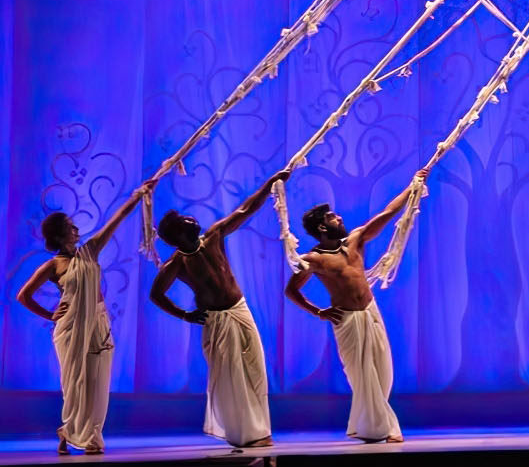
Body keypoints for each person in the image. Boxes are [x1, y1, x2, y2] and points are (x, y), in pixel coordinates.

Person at [148, 170, 289, 448]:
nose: (191, 220)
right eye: (183, 221)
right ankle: (247, 435)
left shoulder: (213, 236)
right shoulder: (177, 264)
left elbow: (245, 209)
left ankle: (261, 428)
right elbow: (156, 294)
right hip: (218, 321)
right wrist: (184, 315)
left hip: (239, 309)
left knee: (255, 369)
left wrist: (270, 183)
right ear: (177, 234)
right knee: (231, 377)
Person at [14, 177, 155, 454]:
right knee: (75, 382)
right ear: (58, 235)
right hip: (70, 329)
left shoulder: (89, 251)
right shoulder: (54, 265)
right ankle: (68, 432)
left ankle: (90, 436)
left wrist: (140, 194)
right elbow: (23, 295)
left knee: (97, 379)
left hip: (98, 322)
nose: (76, 229)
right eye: (69, 227)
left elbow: (116, 220)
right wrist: (51, 314)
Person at [283, 179, 422, 443]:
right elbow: (291, 291)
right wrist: (317, 312)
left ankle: (366, 424)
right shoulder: (314, 259)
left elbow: (386, 215)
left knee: (382, 371)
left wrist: (412, 187)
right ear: (323, 227)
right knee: (362, 375)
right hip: (347, 320)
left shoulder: (355, 240)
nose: (340, 217)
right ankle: (382, 428)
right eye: (333, 217)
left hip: (370, 312)